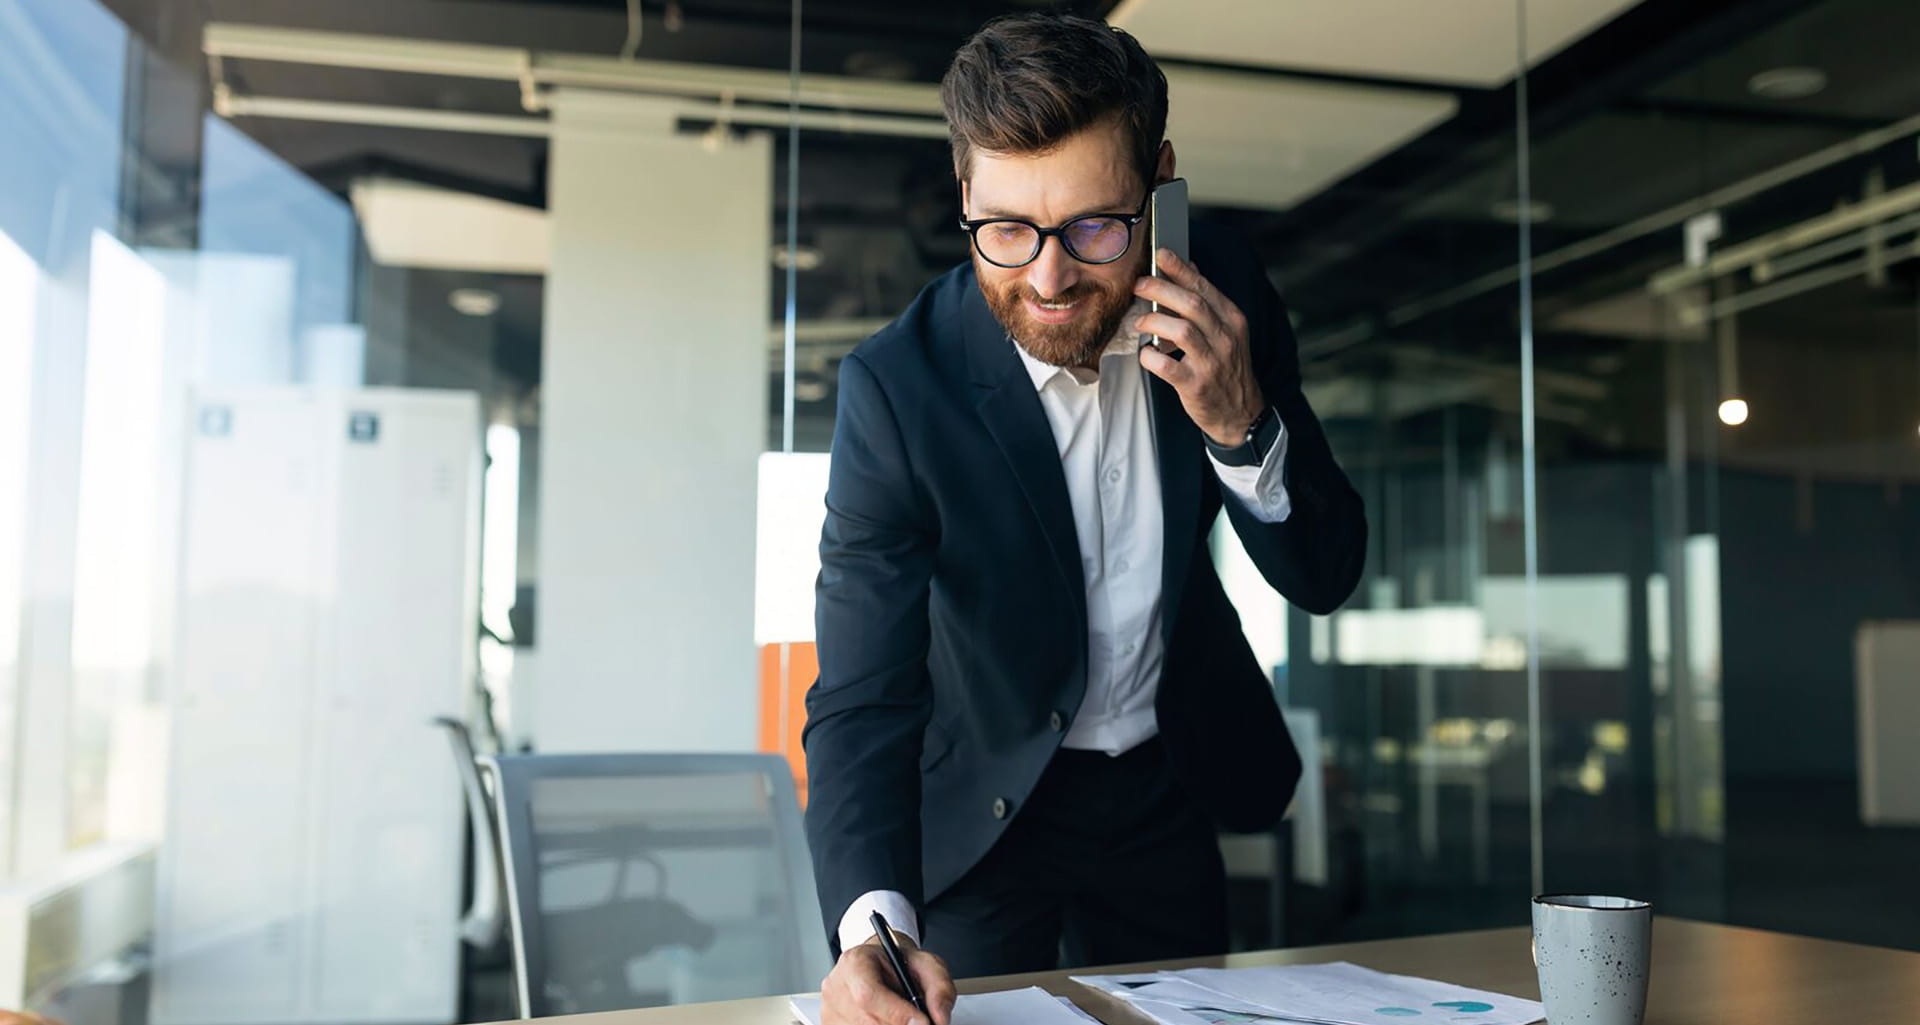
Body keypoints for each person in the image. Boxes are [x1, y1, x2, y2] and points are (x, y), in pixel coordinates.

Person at [802, 12, 1367, 1025]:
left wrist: (1241, 424)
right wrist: (869, 929)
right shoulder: (898, 389)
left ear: (1160, 183)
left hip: (1167, 788)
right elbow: (861, 692)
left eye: (1095, 227)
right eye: (1006, 229)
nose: (1048, 277)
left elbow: (1326, 573)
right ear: (965, 194)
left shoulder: (1223, 293)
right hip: (983, 811)